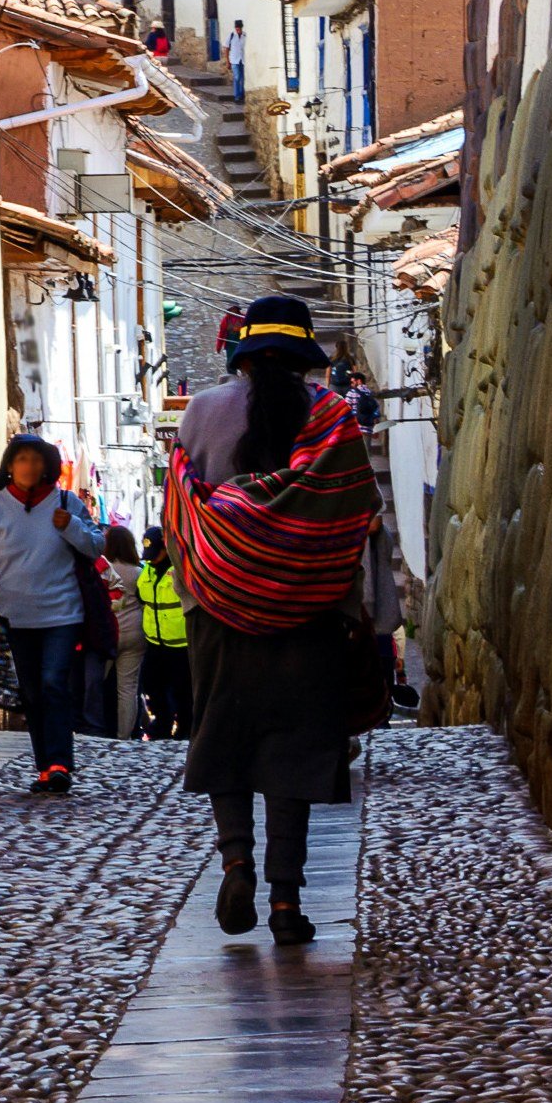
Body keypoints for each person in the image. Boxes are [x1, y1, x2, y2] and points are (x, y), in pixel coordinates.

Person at [165, 295, 380, 946]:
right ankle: (286, 903)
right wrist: (363, 612)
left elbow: (179, 513)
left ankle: (236, 863)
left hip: (219, 614)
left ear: (246, 353)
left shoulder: (201, 412)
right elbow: (355, 518)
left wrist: (204, 586)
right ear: (304, 354)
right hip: (308, 617)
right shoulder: (334, 418)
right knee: (295, 756)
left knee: (226, 741)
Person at [0, 434, 105, 794]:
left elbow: (96, 546)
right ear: (10, 466)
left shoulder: (66, 502)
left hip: (63, 613)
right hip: (16, 617)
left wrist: (69, 526)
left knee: (53, 684)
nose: (29, 466)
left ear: (47, 466)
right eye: (22, 459)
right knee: (32, 693)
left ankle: (59, 765)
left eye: (36, 459)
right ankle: (46, 768)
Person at [137, 526, 193, 740]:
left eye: (156, 553)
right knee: (152, 684)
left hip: (179, 644)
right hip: (155, 642)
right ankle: (162, 724)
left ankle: (185, 729)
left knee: (183, 691)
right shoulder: (148, 570)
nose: (151, 559)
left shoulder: (179, 569)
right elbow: (141, 596)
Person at [93, 524, 147, 738]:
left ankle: (95, 729)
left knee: (97, 683)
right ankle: (124, 736)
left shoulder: (103, 571)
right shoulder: (138, 573)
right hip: (135, 632)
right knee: (128, 689)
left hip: (108, 632)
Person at [225, 19, 247, 102]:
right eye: (237, 28)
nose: (238, 30)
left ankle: (242, 94)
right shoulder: (231, 36)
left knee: (243, 78)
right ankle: (237, 96)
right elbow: (226, 48)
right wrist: (228, 61)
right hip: (234, 60)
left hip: (243, 60)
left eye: (239, 28)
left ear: (241, 28)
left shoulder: (245, 36)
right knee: (237, 77)